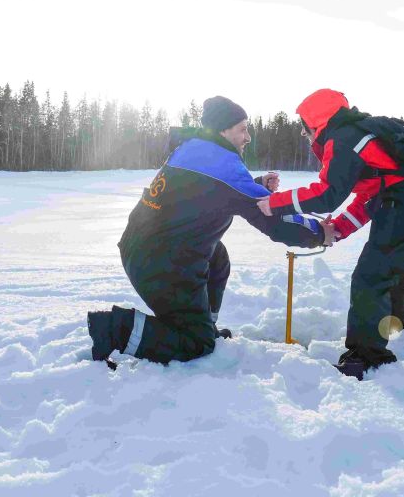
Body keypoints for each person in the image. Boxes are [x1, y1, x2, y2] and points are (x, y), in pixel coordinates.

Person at [88, 96, 334, 367]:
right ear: (222, 131)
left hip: (149, 246)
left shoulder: (196, 149)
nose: (248, 137)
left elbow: (210, 190)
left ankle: (204, 324)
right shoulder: (221, 165)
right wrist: (318, 232)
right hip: (159, 261)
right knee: (196, 343)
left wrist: (256, 183)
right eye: (242, 129)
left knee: (216, 257)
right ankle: (114, 329)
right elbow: (272, 218)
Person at [257, 89, 404, 380]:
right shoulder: (359, 135)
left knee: (371, 276)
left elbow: (326, 195)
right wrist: (339, 229)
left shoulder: (342, 138)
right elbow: (369, 197)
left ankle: (367, 356)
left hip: (403, 204)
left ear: (316, 125)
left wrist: (274, 203)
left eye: (305, 131)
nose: (306, 139)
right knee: (395, 272)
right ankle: (393, 327)